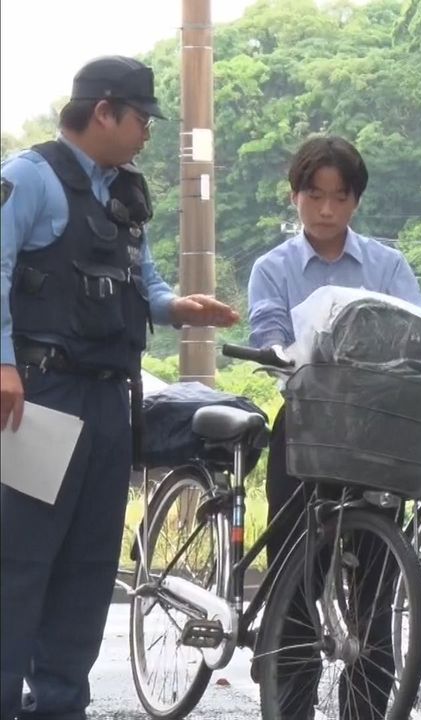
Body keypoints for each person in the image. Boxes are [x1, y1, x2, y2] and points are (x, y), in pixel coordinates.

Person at [0, 55, 239, 719]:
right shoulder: (30, 177)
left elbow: (145, 282)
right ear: (104, 110)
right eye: (141, 119)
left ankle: (60, 706)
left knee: (88, 565)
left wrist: (179, 308)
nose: (146, 134)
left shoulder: (124, 191)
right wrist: (2, 363)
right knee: (20, 564)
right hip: (43, 397)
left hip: (111, 398)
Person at [246, 134, 421, 717]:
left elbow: (419, 332)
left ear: (355, 201)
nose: (326, 210)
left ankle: (367, 707)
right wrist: (289, 351)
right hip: (305, 428)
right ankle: (289, 702)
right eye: (314, 195)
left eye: (340, 197)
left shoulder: (387, 264)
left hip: (376, 436)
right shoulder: (272, 268)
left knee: (377, 584)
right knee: (296, 579)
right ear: (296, 196)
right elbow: (268, 336)